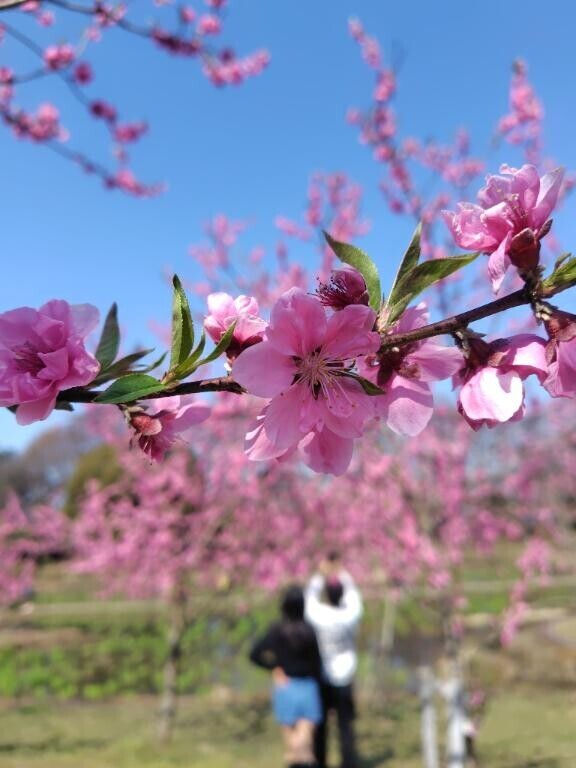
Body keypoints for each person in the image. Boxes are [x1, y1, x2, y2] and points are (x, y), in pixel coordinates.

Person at [250, 584, 322, 768]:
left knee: (291, 746)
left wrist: (274, 667)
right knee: (306, 747)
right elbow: (317, 663)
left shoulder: (276, 630)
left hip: (285, 686)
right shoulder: (309, 631)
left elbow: (255, 654)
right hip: (307, 687)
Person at [305, 554, 363, 768]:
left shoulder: (320, 616)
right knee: (346, 725)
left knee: (321, 727)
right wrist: (343, 573)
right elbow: (355, 596)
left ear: (327, 596)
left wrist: (321, 574)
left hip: (324, 674)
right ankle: (349, 762)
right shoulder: (350, 616)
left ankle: (320, 761)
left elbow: (309, 598)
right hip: (345, 675)